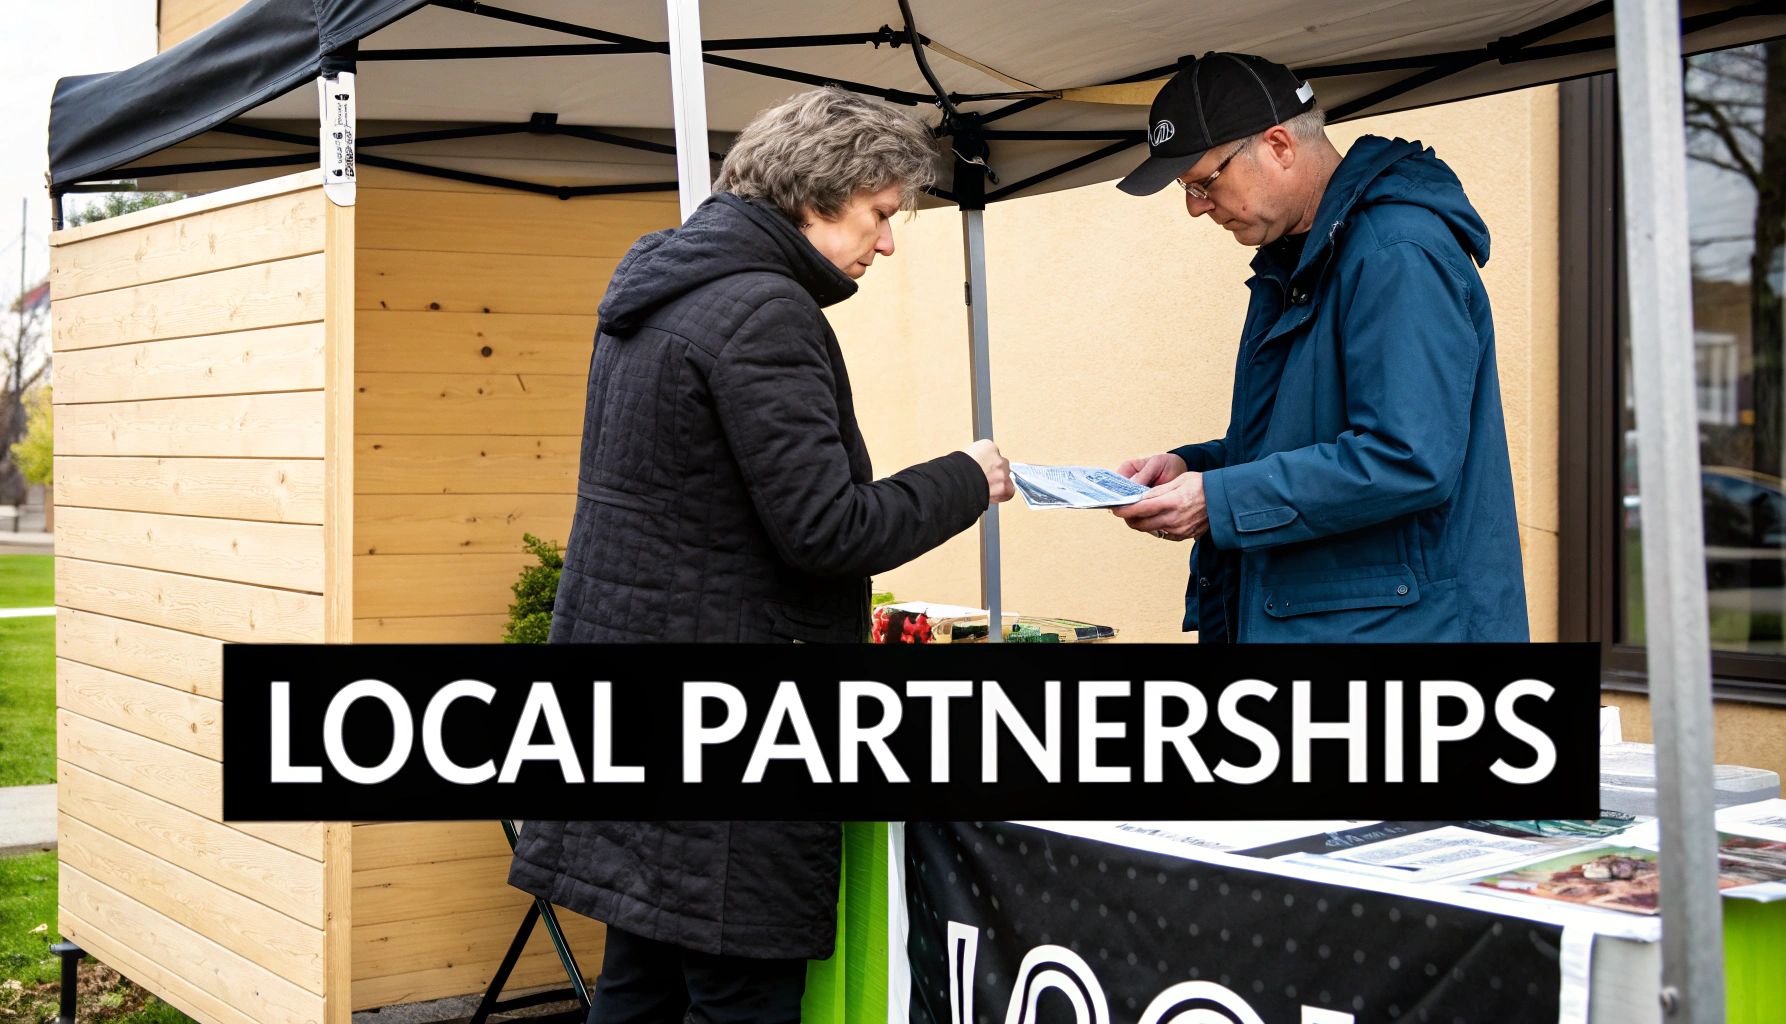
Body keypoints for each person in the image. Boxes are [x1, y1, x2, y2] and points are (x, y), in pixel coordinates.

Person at [507, 86, 1014, 1023]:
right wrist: (964, 477)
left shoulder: (664, 290)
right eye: (881, 214)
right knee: (739, 997)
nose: (888, 243)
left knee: (639, 984)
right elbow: (828, 532)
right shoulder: (762, 313)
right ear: (819, 198)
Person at [1109, 52, 1527, 643]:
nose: (1195, 206)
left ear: (1279, 145)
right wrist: (1194, 469)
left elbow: (1406, 457)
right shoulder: (1302, 259)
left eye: (1205, 182)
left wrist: (1219, 500)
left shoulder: (1394, 253)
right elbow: (1303, 441)